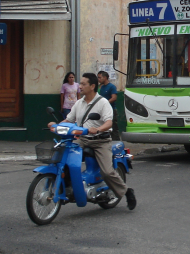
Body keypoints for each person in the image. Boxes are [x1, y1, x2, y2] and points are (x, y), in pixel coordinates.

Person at [49, 73, 136, 210]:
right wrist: (57, 125)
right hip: (82, 139)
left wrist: (98, 129)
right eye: (80, 83)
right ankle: (69, 187)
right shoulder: (79, 103)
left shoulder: (103, 103)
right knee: (63, 158)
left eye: (83, 84)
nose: (80, 86)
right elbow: (69, 119)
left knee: (107, 172)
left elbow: (108, 122)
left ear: (92, 86)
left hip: (100, 141)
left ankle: (126, 191)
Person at [97, 71, 119, 138]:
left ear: (105, 77)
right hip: (101, 110)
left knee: (113, 127)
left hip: (111, 110)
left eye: (100, 77)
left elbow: (114, 98)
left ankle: (116, 141)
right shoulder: (100, 87)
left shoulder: (111, 87)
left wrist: (105, 104)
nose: (98, 79)